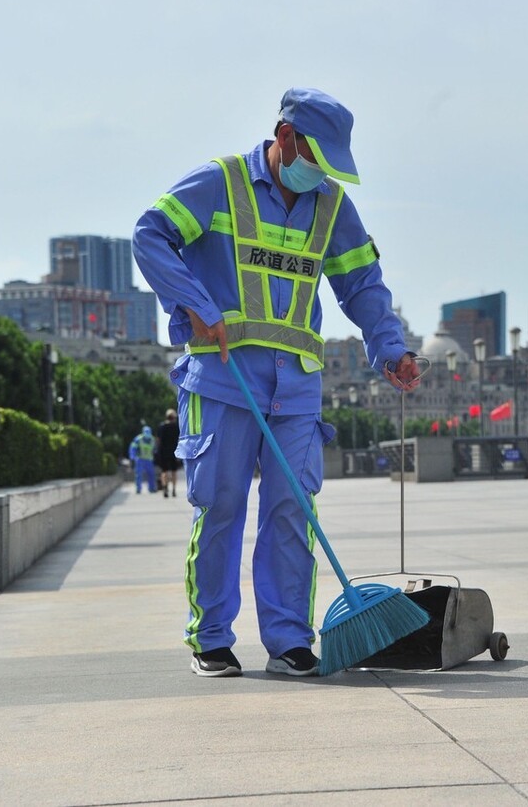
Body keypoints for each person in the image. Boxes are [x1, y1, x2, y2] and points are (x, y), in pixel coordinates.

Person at [132, 87, 420, 679]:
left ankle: (289, 639)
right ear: (284, 137)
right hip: (223, 378)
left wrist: (390, 349)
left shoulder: (333, 206)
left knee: (293, 508)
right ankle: (210, 637)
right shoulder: (221, 182)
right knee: (221, 505)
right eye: (316, 158)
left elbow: (362, 284)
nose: (321, 174)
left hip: (297, 389)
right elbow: (150, 233)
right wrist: (194, 303)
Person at [155, 408, 181, 498]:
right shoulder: (176, 427)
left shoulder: (161, 427)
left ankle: (165, 488)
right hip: (174, 452)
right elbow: (179, 439)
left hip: (163, 452)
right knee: (174, 471)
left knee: (164, 471)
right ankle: (173, 489)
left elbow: (158, 440)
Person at [130, 425, 156, 494]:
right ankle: (138, 489)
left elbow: (155, 450)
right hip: (140, 459)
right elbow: (133, 448)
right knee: (138, 475)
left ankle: (151, 488)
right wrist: (133, 457)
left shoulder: (152, 439)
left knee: (151, 474)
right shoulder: (138, 439)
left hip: (149, 460)